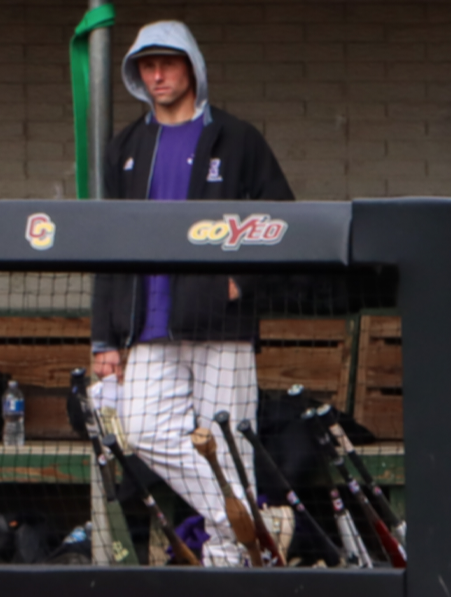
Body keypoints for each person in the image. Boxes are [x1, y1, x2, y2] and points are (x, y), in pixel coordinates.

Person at [89, 21, 294, 568]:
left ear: (193, 67)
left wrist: (240, 283)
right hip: (146, 327)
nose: (156, 74)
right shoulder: (125, 147)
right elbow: (106, 245)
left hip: (221, 323)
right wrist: (104, 339)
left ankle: (233, 571)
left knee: (232, 449)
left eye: (168, 63)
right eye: (146, 65)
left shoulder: (237, 138)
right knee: (143, 431)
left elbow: (284, 223)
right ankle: (250, 520)